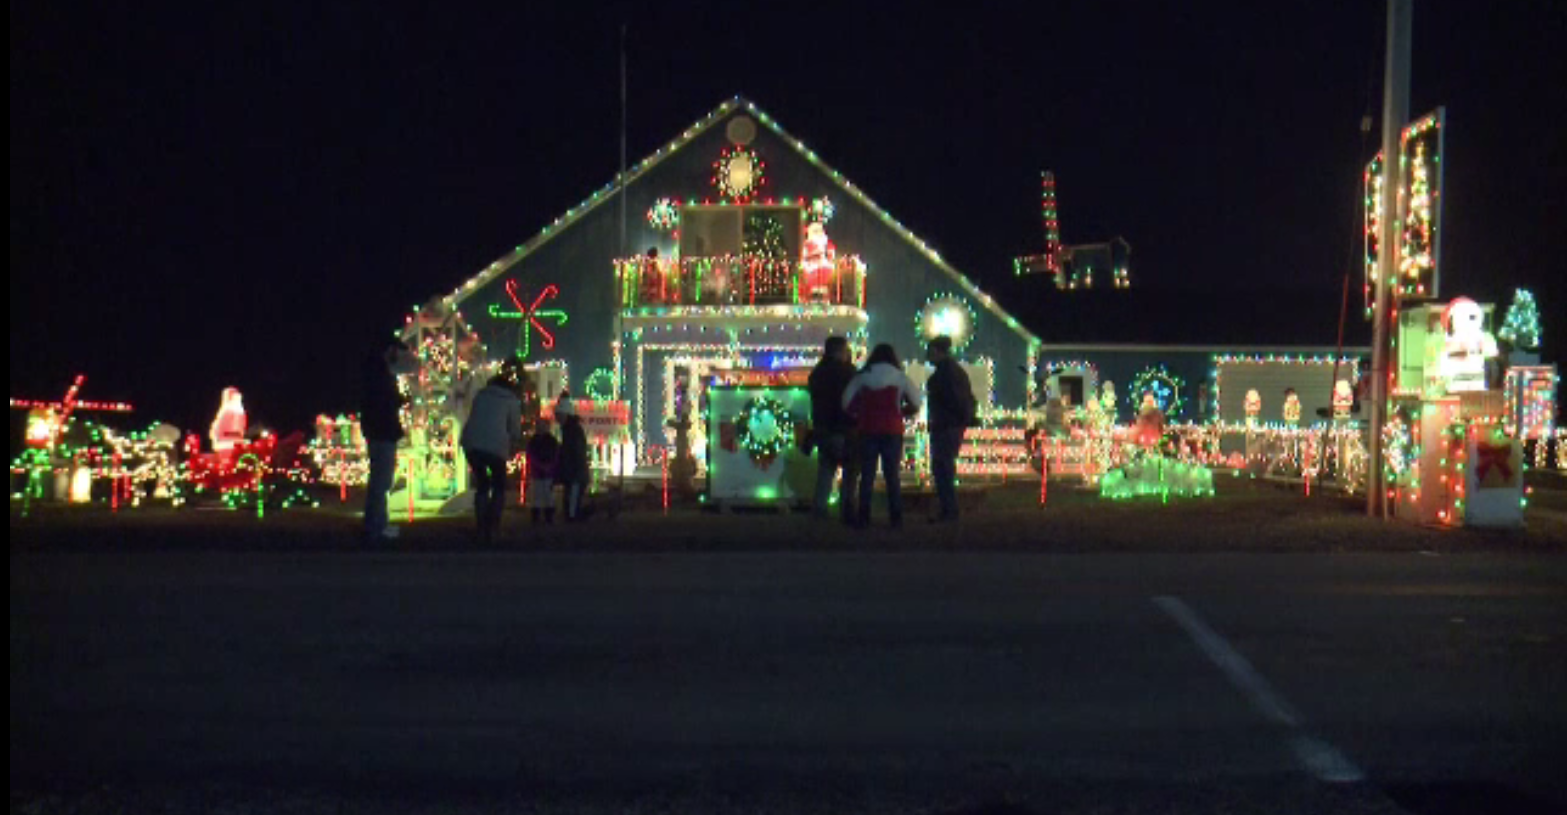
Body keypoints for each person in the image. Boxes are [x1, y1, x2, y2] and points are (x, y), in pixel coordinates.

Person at [843, 343, 921, 529]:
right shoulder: (900, 377)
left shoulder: (862, 376)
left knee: (867, 474)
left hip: (867, 429)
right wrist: (902, 412)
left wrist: (858, 414)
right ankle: (896, 517)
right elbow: (916, 402)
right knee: (892, 475)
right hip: (892, 429)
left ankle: (864, 516)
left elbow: (845, 402)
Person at [459, 372, 524, 544]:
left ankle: (481, 526)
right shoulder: (511, 400)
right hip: (495, 446)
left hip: (472, 443)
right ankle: (493, 527)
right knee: (499, 485)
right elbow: (515, 428)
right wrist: (515, 443)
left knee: (482, 484)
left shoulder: (480, 396)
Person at [360, 340, 409, 542]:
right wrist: (399, 400)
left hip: (378, 431)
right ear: (389, 350)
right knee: (381, 482)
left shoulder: (375, 372)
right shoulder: (381, 375)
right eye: (396, 351)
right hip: (383, 432)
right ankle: (375, 527)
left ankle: (378, 523)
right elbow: (384, 402)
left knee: (380, 481)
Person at [924, 336, 976, 522]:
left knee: (942, 468)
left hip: (946, 426)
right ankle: (947, 509)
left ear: (939, 351)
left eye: (930, 351)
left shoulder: (945, 375)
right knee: (944, 467)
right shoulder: (955, 372)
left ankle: (949, 510)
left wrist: (949, 419)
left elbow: (954, 400)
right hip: (951, 425)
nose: (928, 355)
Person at [808, 336, 859, 524]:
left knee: (826, 470)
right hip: (846, 427)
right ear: (840, 351)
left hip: (823, 427)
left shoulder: (817, 373)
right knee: (850, 471)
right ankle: (847, 508)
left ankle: (820, 509)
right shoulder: (849, 373)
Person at [555, 398, 591, 521]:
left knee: (572, 500)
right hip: (575, 471)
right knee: (572, 499)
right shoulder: (571, 429)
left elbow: (575, 452)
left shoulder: (571, 431)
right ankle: (574, 515)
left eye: (558, 415)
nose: (557, 418)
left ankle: (574, 517)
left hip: (575, 472)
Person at [525, 416, 560, 524]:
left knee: (545, 495)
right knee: (539, 495)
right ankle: (541, 516)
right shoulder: (547, 441)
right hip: (540, 472)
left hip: (544, 472)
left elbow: (555, 455)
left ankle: (545, 516)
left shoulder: (545, 441)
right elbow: (530, 455)